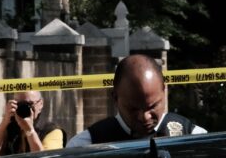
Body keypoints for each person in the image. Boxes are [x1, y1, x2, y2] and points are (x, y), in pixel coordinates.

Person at [68, 54, 207, 147]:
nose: (145, 117)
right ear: (115, 98)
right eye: (134, 109)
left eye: (152, 106)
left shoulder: (194, 138)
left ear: (164, 91)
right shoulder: (85, 146)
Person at [0, 90, 65, 157]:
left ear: (40, 104)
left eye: (30, 104)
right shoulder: (11, 126)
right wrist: (5, 121)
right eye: (20, 104)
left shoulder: (52, 131)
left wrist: (30, 131)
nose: (25, 108)